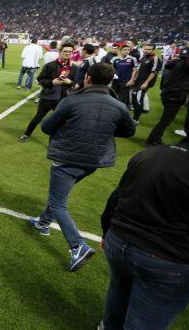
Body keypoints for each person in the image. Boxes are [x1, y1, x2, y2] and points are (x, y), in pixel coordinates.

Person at [28, 63, 137, 272]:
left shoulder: (72, 100)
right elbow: (129, 131)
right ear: (110, 81)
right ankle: (43, 222)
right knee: (58, 194)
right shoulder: (118, 105)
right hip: (93, 162)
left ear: (87, 78)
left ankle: (78, 246)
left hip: (68, 158)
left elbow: (46, 126)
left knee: (59, 202)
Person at [98, 137, 189, 330]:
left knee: (119, 291)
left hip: (119, 242)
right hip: (166, 258)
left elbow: (116, 198)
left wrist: (107, 232)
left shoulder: (150, 154)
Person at [20, 43, 77, 142]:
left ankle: (60, 139)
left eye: (70, 52)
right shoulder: (50, 65)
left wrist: (70, 82)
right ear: (60, 52)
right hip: (48, 97)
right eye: (65, 51)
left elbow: (77, 83)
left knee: (62, 120)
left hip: (63, 99)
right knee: (38, 118)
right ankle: (26, 134)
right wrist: (51, 82)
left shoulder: (74, 67)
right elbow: (40, 79)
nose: (67, 53)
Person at [146, 48, 189, 146]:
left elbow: (168, 65)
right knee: (165, 121)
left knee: (165, 120)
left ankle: (156, 139)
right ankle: (152, 140)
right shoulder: (185, 65)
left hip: (168, 93)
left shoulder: (176, 63)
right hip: (175, 96)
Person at [130, 43, 162, 124]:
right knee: (135, 97)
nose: (146, 51)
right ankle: (136, 117)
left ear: (153, 50)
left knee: (137, 98)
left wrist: (146, 83)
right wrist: (133, 79)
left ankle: (136, 119)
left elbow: (153, 72)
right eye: (145, 49)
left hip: (144, 83)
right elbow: (137, 68)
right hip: (138, 81)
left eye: (149, 49)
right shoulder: (144, 57)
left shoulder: (155, 58)